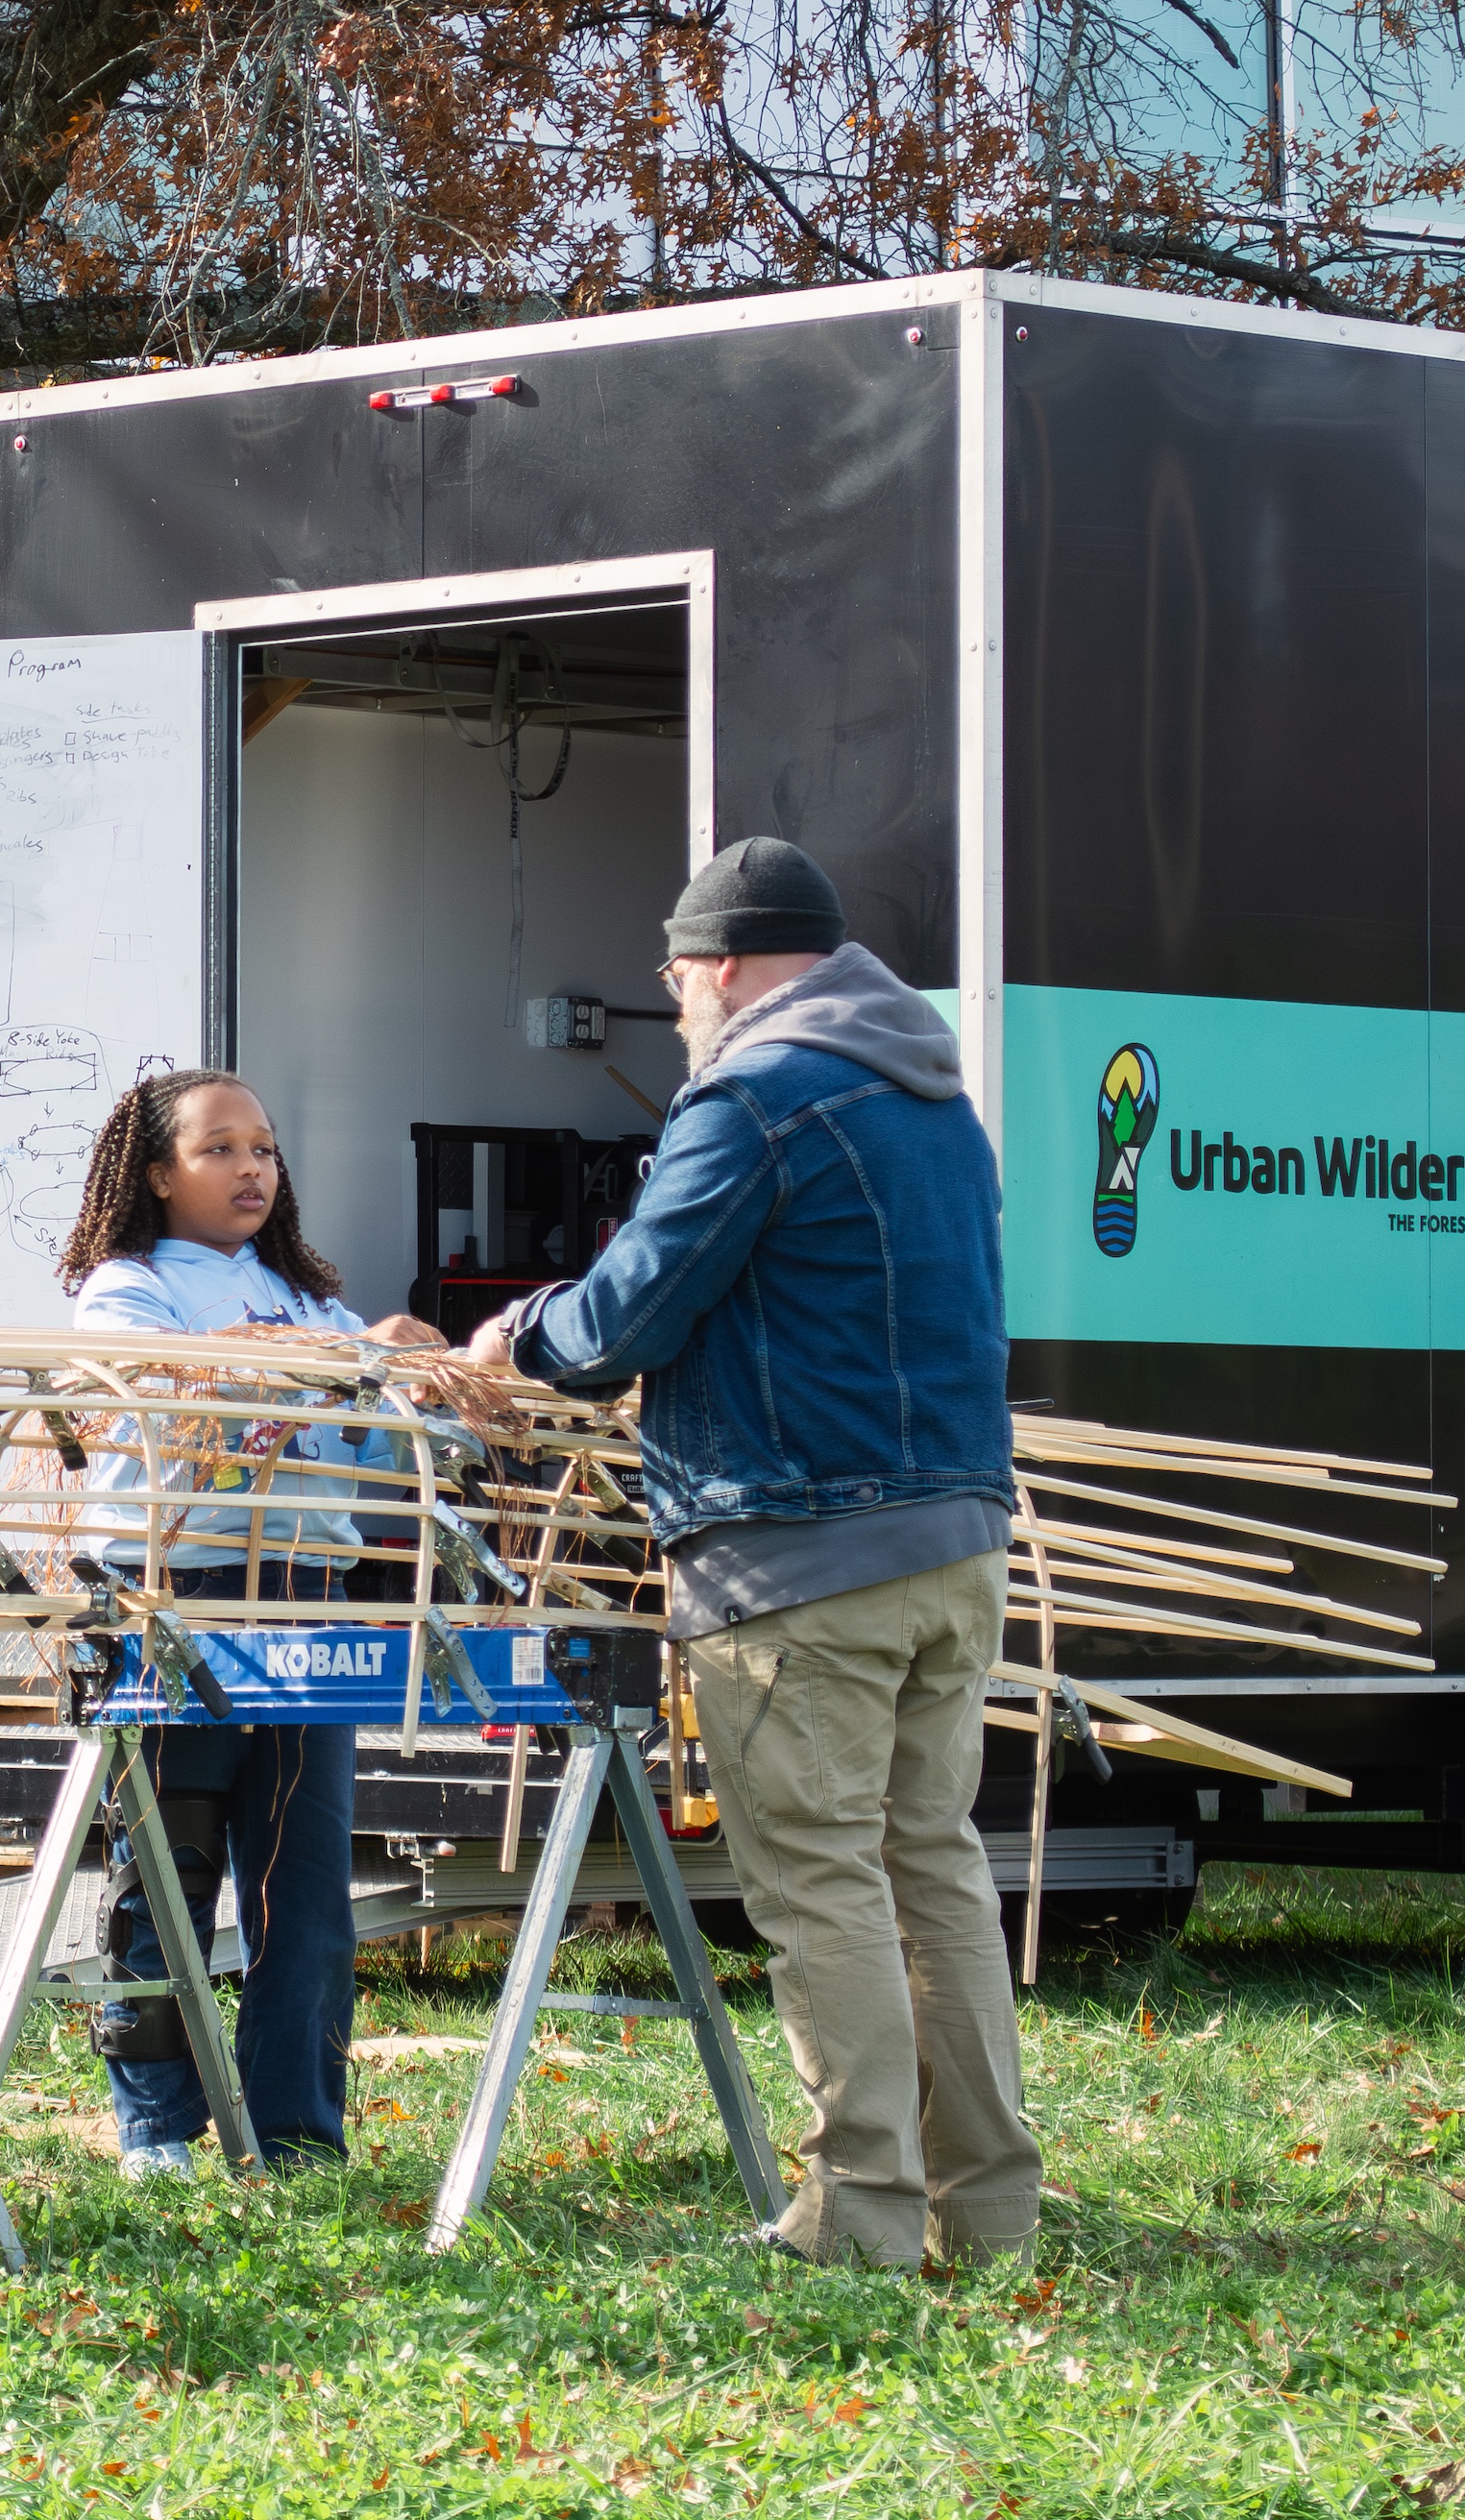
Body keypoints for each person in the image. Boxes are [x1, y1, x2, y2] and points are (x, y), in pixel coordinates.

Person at [471, 836, 1032, 2274]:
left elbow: (623, 1324)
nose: (678, 1009)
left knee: (825, 1885)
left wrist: (513, 1337)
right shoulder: (934, 1096)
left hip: (800, 1557)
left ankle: (861, 2220)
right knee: (935, 1871)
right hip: (957, 1544)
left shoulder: (757, 1091)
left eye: (674, 983)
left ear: (715, 966)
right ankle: (990, 2212)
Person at [53, 1068, 451, 2180]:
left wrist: (401, 1388)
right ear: (156, 1171)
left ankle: (295, 2130)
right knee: (165, 1872)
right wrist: (334, 1368)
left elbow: (358, 1452)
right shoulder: (125, 1288)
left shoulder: (313, 1301)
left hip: (305, 1600)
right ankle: (158, 2128)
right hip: (172, 1594)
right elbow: (173, 1402)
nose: (252, 1169)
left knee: (305, 1880)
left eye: (265, 1148)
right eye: (221, 1148)